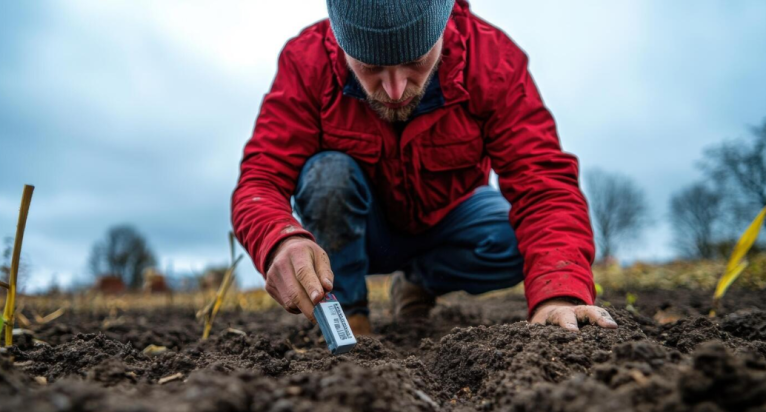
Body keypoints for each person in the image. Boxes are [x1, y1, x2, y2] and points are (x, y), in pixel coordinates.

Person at [232, 0, 618, 335]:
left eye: (415, 61)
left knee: (514, 236)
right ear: (341, 42)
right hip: (363, 235)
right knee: (327, 175)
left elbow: (543, 181)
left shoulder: (490, 60)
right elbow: (261, 179)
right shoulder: (306, 61)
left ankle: (417, 282)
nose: (395, 90)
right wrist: (280, 239)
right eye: (370, 67)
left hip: (447, 221)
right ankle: (347, 317)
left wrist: (559, 295)